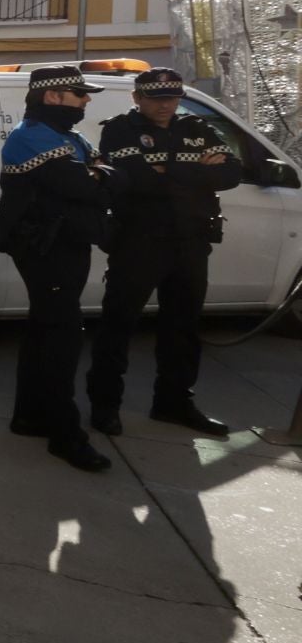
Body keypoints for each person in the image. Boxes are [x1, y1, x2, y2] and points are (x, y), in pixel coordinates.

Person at [88, 68, 239, 437]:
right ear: (137, 98)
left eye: (172, 97)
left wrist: (165, 169)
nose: (165, 104)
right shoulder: (119, 129)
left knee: (183, 330)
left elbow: (232, 172)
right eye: (156, 98)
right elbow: (133, 178)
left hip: (191, 242)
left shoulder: (197, 127)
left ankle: (174, 403)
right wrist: (193, 170)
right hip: (139, 242)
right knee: (118, 327)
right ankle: (105, 406)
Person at [0, 66, 116, 473]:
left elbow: (108, 176)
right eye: (78, 94)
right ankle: (65, 435)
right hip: (46, 249)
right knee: (61, 339)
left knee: (44, 332)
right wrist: (97, 175)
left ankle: (28, 416)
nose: (86, 100)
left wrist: (97, 174)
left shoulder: (69, 138)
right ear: (52, 97)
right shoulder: (30, 135)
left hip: (66, 244)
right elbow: (84, 186)